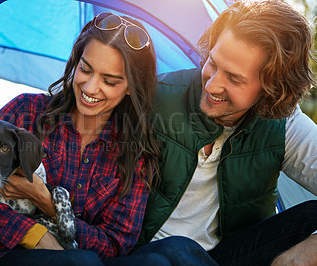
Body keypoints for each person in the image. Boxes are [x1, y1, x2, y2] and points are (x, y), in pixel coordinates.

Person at [0, 12, 163, 265]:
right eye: (85, 69)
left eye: (109, 81)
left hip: (79, 256)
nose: (90, 88)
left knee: (159, 260)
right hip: (4, 253)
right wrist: (30, 232)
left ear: (131, 87)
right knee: (81, 262)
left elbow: (116, 244)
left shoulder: (136, 154)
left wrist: (46, 201)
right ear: (75, 61)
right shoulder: (26, 111)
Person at [133, 1, 317, 265]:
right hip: (152, 254)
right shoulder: (154, 98)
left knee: (311, 216)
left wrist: (310, 249)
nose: (212, 84)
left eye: (234, 78)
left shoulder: (283, 124)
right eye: (212, 62)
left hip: (229, 254)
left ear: (272, 87)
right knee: (178, 250)